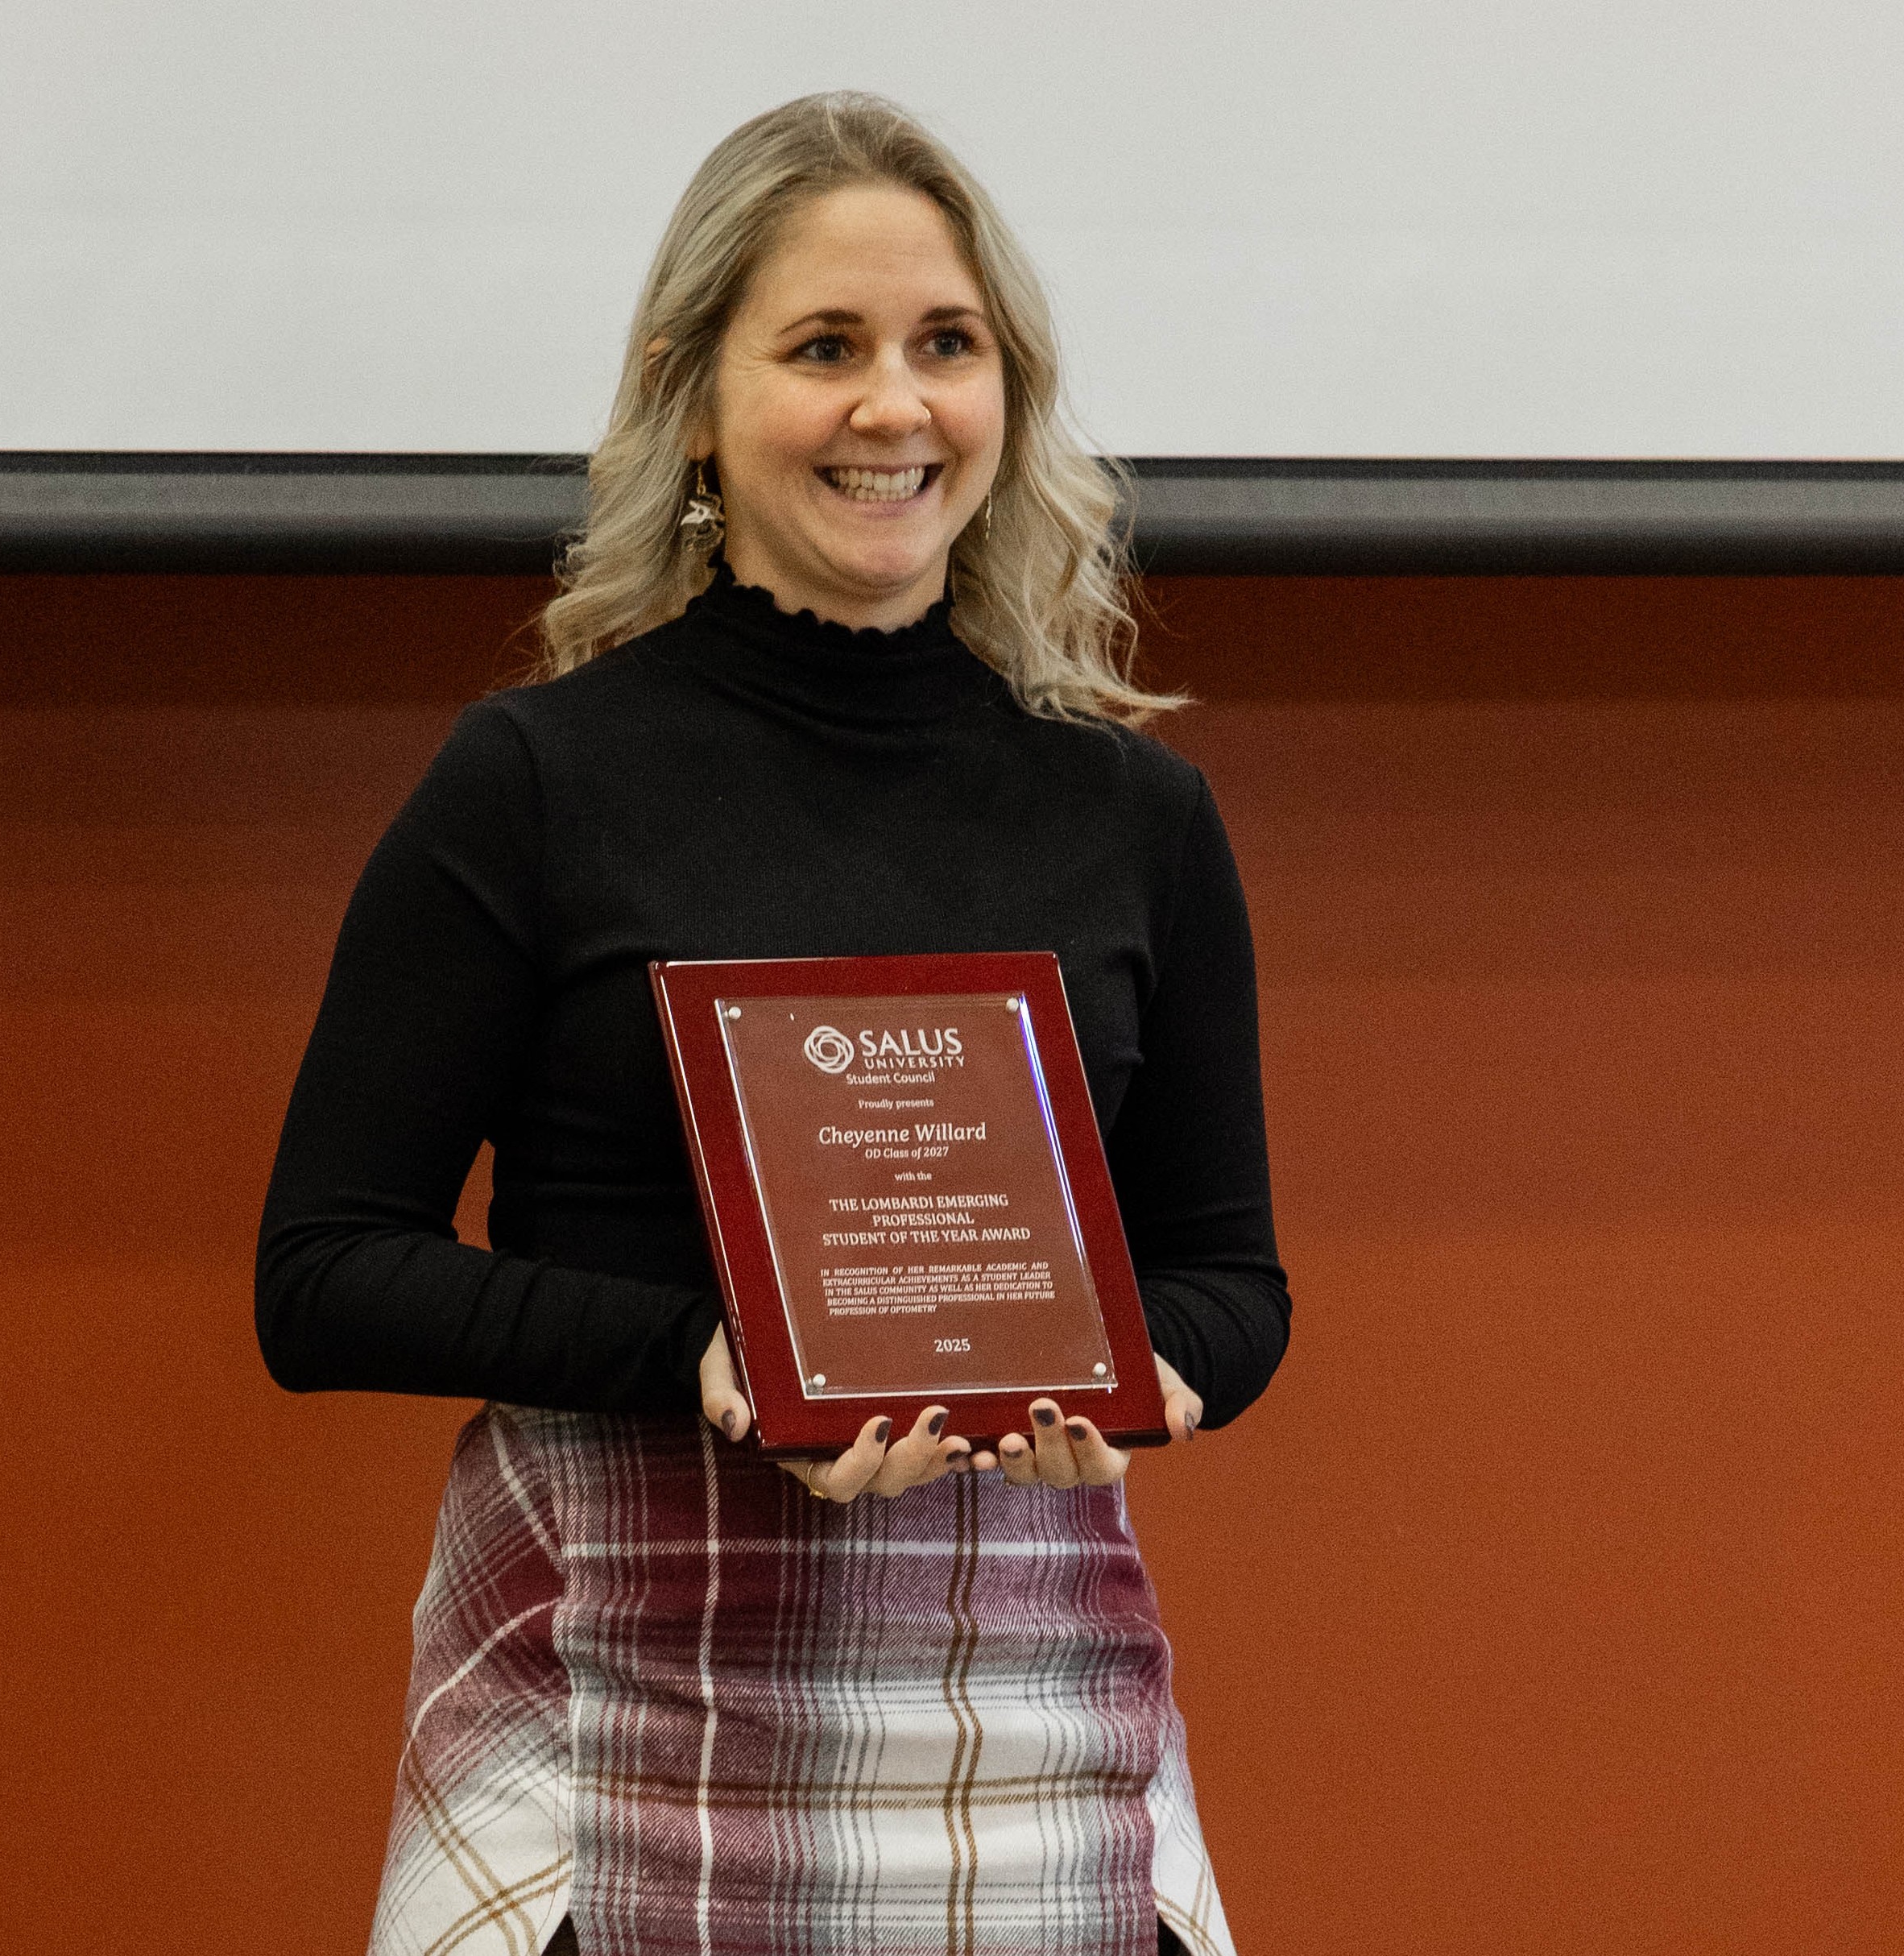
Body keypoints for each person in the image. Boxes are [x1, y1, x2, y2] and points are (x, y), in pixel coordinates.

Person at [257, 91, 1289, 1956]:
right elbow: (322, 1276)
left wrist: (1112, 1367)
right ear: (692, 389)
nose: (894, 409)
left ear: (1009, 390)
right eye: (824, 347)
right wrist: (709, 1354)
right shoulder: (532, 781)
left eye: (945, 347)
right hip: (616, 1707)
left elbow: (1234, 1286)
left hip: (1034, 1724)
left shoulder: (1136, 814)